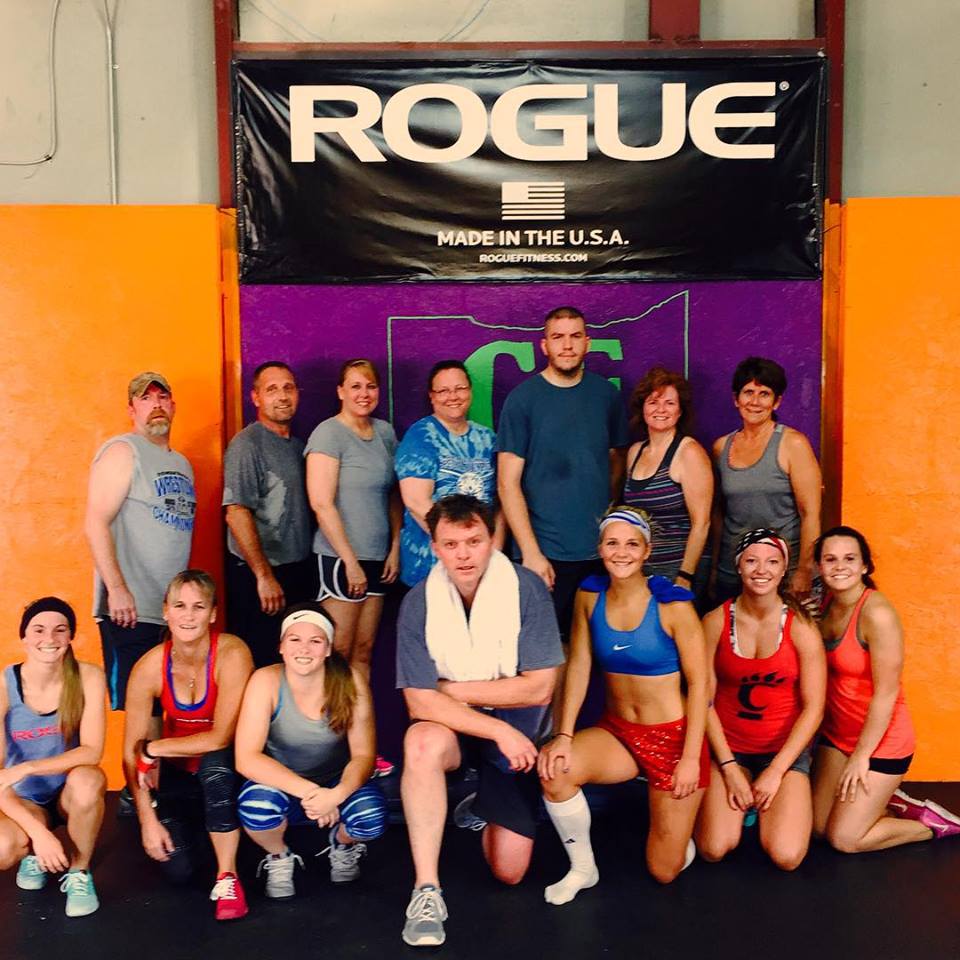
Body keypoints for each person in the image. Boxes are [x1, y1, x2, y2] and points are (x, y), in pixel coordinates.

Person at [396, 495, 562, 947]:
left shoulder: (526, 588)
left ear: (492, 539)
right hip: (475, 730)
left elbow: (538, 688)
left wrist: (446, 690)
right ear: (434, 547)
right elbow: (418, 704)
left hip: (516, 727)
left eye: (474, 541)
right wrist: (496, 728)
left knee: (510, 872)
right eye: (451, 544)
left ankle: (480, 799)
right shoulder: (419, 601)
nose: (464, 554)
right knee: (421, 742)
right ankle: (426, 889)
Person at [538, 506, 708, 905]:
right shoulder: (589, 596)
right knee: (555, 769)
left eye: (632, 544)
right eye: (612, 543)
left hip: (673, 740)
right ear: (600, 548)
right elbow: (579, 665)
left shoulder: (673, 605)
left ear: (647, 551)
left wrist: (690, 758)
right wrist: (563, 735)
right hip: (619, 734)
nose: (622, 552)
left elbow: (701, 685)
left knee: (663, 870)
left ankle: (680, 834)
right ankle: (583, 869)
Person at [812, 527, 960, 850]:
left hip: (881, 742)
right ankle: (889, 802)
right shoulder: (825, 605)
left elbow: (886, 694)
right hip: (838, 736)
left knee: (844, 839)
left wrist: (861, 756)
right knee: (819, 827)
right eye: (831, 559)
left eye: (850, 559)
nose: (840, 567)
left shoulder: (877, 614)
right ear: (819, 566)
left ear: (865, 565)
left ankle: (928, 824)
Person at [123, 570, 254, 920]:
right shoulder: (149, 667)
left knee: (215, 768)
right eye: (179, 606)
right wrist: (147, 820)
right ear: (165, 611)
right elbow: (130, 751)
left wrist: (153, 749)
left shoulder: (232, 653)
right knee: (178, 870)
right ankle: (201, 829)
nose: (188, 615)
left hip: (226, 768)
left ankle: (228, 877)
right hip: (179, 774)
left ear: (212, 614)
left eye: (199, 606)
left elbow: (221, 736)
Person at [235, 602, 387, 898]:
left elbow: (364, 756)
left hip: (334, 782)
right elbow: (247, 758)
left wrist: (336, 795)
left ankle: (342, 844)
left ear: (328, 649)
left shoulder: (350, 680)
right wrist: (311, 793)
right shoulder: (265, 680)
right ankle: (279, 855)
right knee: (257, 808)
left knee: (371, 817)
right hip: (283, 783)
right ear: (281, 646)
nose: (304, 648)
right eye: (295, 639)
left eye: (315, 641)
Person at [695, 530, 825, 870]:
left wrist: (777, 771)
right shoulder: (714, 622)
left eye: (772, 562)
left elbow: (814, 708)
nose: (761, 570)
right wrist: (728, 768)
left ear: (783, 570)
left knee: (787, 856)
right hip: (730, 750)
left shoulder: (801, 627)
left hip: (782, 753)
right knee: (714, 848)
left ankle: (765, 801)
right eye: (751, 561)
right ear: (739, 567)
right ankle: (746, 804)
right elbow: (702, 700)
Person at [498, 306, 630, 641]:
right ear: (544, 346)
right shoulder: (522, 400)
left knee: (597, 649)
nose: (567, 345)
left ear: (588, 342)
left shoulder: (606, 395)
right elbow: (507, 483)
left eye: (575, 336)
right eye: (558, 337)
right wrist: (531, 552)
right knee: (547, 653)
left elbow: (616, 462)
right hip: (545, 555)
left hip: (600, 554)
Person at [305, 358, 401, 778]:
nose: (364, 394)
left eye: (371, 386)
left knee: (363, 654)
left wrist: (394, 547)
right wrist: (349, 561)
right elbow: (321, 502)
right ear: (341, 391)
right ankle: (324, 753)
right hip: (339, 560)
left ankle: (361, 752)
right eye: (356, 386)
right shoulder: (328, 433)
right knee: (336, 655)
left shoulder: (385, 433)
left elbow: (394, 495)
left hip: (378, 559)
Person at [84, 371, 196, 711]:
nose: (155, 404)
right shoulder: (123, 451)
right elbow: (95, 522)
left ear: (173, 406)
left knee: (162, 713)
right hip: (130, 610)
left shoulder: (181, 463)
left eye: (162, 397)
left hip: (172, 613)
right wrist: (117, 589)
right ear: (132, 410)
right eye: (145, 398)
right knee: (139, 714)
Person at [0, 598, 107, 917]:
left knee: (88, 781)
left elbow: (92, 751)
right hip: (27, 800)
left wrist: (28, 767)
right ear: (24, 637)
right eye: (39, 629)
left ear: (70, 636)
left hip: (69, 792)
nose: (50, 638)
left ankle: (79, 871)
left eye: (60, 630)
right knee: (3, 848)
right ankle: (35, 853)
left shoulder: (88, 676)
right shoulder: (4, 684)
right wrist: (39, 835)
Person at [223, 360, 317, 668]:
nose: (282, 396)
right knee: (262, 666)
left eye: (288, 388)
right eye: (272, 389)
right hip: (259, 578)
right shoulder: (246, 445)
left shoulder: (299, 447)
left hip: (296, 573)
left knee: (296, 667)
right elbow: (236, 513)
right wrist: (263, 577)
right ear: (256, 398)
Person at [711, 357, 821, 604]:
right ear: (736, 399)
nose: (755, 401)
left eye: (764, 394)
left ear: (776, 401)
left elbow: (810, 514)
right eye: (748, 392)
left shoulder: (793, 444)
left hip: (781, 571)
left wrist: (804, 570)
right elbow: (718, 514)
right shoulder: (721, 447)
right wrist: (715, 568)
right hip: (733, 569)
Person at [395, 360, 503, 588]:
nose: (453, 396)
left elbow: (501, 501)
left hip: (482, 566)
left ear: (470, 391)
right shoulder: (421, 436)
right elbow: (416, 502)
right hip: (430, 566)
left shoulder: (488, 438)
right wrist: (458, 548)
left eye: (460, 388)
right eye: (443, 391)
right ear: (432, 397)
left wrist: (493, 550)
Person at [623, 366, 713, 601]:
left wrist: (685, 576)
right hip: (641, 570)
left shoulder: (689, 452)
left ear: (680, 411)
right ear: (642, 408)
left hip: (679, 569)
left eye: (670, 403)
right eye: (653, 402)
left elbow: (702, 523)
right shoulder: (635, 452)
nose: (660, 409)